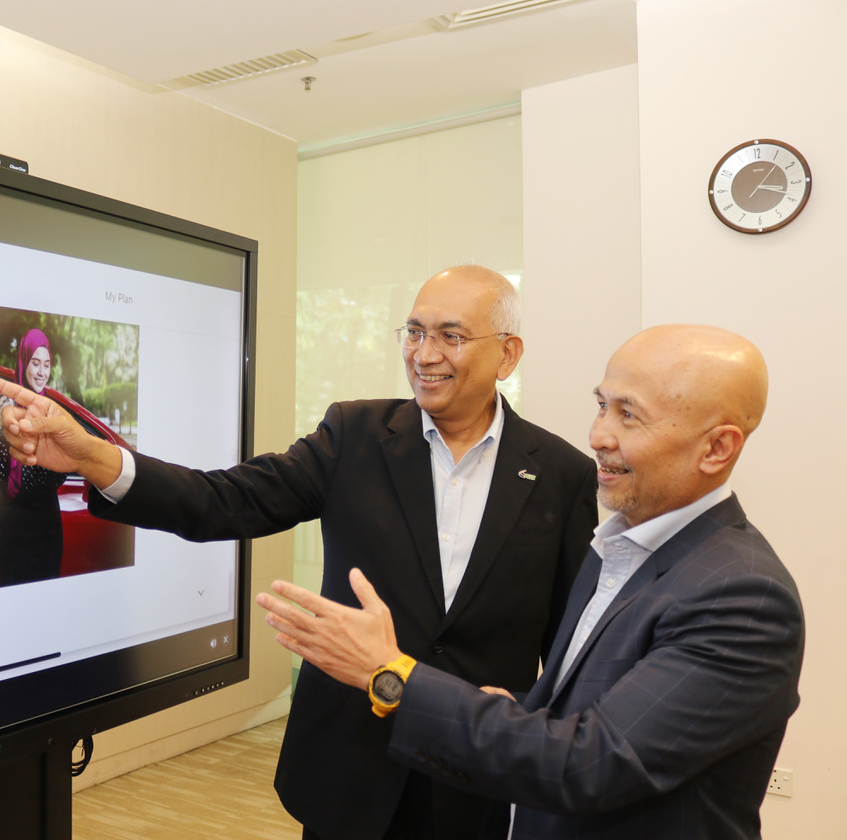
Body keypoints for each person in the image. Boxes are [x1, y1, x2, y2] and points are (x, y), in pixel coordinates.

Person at [0, 266, 597, 839]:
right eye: (414, 332)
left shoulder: (563, 476)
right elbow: (221, 500)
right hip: (351, 767)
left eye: (451, 336)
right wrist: (93, 456)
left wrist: (534, 730)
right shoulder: (354, 437)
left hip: (478, 778)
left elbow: (574, 648)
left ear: (508, 353)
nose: (425, 354)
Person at [256, 324, 804, 840]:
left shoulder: (743, 598)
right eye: (602, 406)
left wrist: (389, 673)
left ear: (717, 448)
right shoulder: (618, 550)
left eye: (629, 416)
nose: (598, 435)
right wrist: (518, 707)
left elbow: (593, 763)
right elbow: (589, 707)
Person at [0, 328, 68, 585]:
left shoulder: (54, 413)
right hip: (13, 526)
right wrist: (1, 430)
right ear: (24, 363)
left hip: (45, 527)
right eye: (35, 363)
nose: (42, 372)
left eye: (47, 364)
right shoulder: (7, 410)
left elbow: (56, 477)